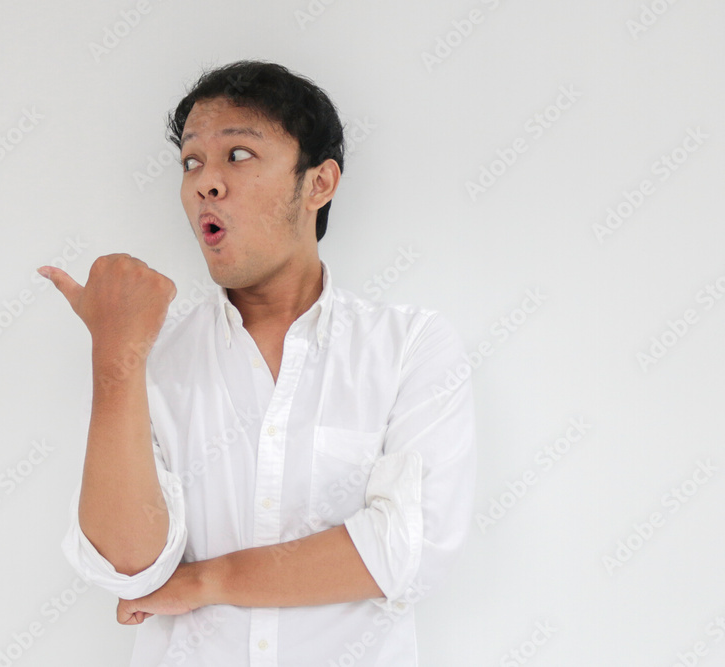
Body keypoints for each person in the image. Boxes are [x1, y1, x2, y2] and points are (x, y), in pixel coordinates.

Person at [38, 59, 476, 667]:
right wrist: (115, 352)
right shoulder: (152, 356)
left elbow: (409, 549)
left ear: (319, 183)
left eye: (238, 155)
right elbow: (129, 567)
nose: (205, 183)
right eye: (191, 162)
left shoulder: (407, 347)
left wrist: (204, 581)